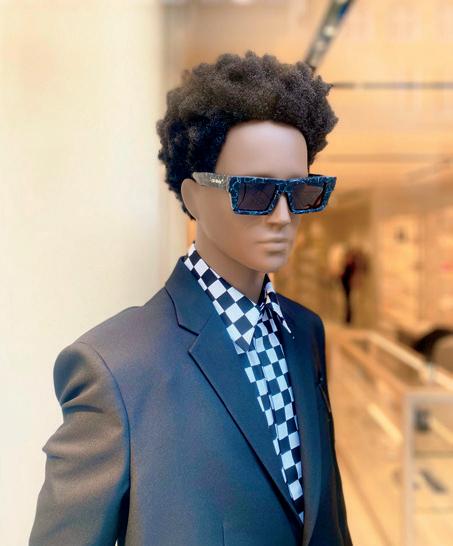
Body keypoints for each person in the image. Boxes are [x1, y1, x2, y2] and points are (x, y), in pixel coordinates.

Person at [29, 51, 353, 546]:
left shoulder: (305, 330)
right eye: (254, 192)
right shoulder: (115, 367)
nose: (283, 216)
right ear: (194, 196)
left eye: (302, 191)